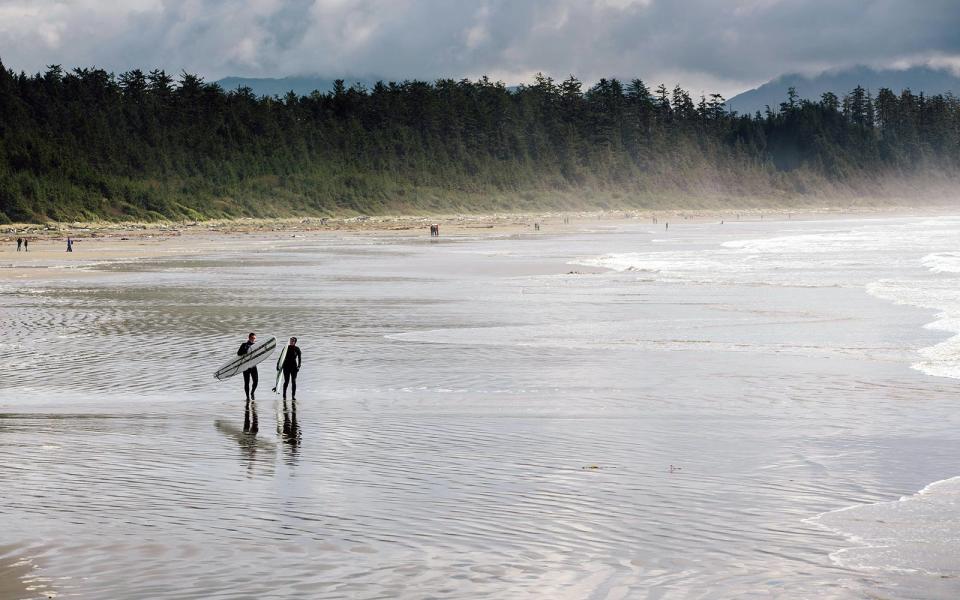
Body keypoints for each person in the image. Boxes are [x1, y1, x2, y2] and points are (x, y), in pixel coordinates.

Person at [237, 332, 259, 401]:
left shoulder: (256, 345)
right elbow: (238, 353)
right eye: (252, 338)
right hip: (245, 366)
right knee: (247, 382)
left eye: (254, 338)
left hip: (253, 366)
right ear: (249, 338)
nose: (253, 340)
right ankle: (247, 397)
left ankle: (252, 392)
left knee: (256, 381)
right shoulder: (244, 345)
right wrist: (246, 350)